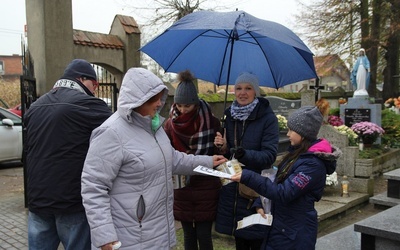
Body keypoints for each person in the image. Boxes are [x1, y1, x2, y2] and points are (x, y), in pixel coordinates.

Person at [81, 67, 227, 250]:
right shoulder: (110, 133)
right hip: (130, 237)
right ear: (138, 99)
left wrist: (208, 161)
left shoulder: (154, 126)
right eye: (154, 99)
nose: (159, 103)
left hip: (157, 233)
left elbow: (172, 159)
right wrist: (104, 235)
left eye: (160, 97)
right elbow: (93, 186)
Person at [230, 98, 342, 250]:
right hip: (282, 228)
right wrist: (260, 202)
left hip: (294, 234)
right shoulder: (296, 155)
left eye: (291, 130)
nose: (288, 134)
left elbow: (284, 192)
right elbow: (276, 180)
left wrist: (247, 176)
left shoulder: (312, 165)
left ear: (303, 133)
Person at [25, 59, 113, 249]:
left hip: (37, 201)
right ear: (82, 79)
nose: (95, 89)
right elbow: (119, 132)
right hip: (71, 203)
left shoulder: (34, 107)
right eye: (94, 84)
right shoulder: (88, 105)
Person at [214, 72, 280, 250]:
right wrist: (223, 147)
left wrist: (244, 154)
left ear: (256, 92)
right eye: (239, 88)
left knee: (256, 239)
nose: (242, 92)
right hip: (233, 187)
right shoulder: (230, 117)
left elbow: (269, 156)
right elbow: (229, 153)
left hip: (255, 190)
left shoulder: (268, 119)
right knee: (239, 239)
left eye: (248, 88)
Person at [164, 70, 222, 250]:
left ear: (195, 103)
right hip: (182, 185)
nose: (182, 110)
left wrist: (222, 145)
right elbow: (166, 153)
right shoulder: (168, 125)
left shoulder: (212, 122)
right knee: (188, 235)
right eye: (179, 105)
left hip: (206, 183)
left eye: (187, 106)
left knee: (204, 235)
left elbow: (220, 154)